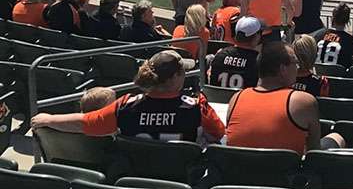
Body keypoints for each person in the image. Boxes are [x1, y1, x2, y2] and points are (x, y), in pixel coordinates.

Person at [31, 50, 224, 144]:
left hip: (135, 178)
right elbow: (218, 133)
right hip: (183, 177)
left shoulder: (125, 106)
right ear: (175, 77)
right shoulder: (197, 107)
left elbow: (85, 122)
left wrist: (48, 119)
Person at [226, 42, 343, 155]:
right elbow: (314, 153)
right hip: (284, 173)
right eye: (295, 63)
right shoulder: (303, 101)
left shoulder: (236, 98)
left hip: (239, 172)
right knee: (337, 137)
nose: (297, 67)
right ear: (283, 69)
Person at [209, 16, 262, 90]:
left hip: (216, 100)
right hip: (243, 101)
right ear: (256, 36)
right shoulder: (258, 61)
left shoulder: (220, 55)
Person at [314, 3, 353, 67]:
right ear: (347, 21)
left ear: (332, 18)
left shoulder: (319, 35)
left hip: (318, 74)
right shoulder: (352, 42)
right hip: (339, 76)